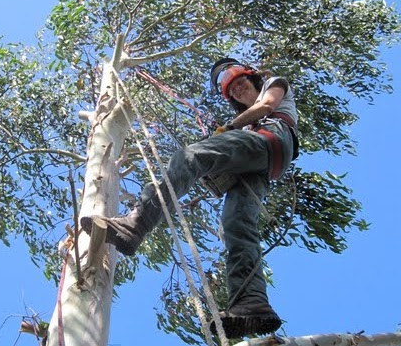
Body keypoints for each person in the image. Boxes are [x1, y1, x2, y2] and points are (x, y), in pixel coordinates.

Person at [81, 58, 298, 339]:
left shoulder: (273, 84)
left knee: (189, 157)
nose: (237, 90)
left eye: (238, 81)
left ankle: (136, 223)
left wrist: (230, 128)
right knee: (236, 225)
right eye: (230, 90)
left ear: (252, 76)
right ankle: (251, 303)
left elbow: (267, 105)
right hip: (265, 163)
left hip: (272, 138)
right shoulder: (247, 127)